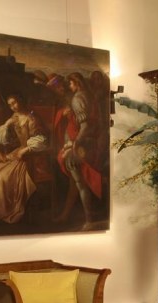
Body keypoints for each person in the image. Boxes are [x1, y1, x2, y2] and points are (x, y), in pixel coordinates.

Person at [0, 91, 50, 224]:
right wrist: (7, 125)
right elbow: (5, 140)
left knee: (2, 178)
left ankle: (3, 211)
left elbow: (43, 140)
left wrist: (25, 149)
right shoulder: (14, 117)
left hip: (30, 155)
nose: (13, 106)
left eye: (14, 103)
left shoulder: (31, 118)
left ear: (20, 101)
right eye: (10, 105)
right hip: (17, 152)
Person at [53, 71, 104, 229]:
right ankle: (66, 215)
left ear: (77, 83)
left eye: (70, 83)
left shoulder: (77, 98)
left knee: (80, 182)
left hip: (82, 146)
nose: (69, 86)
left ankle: (89, 220)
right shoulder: (90, 96)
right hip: (90, 143)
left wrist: (75, 143)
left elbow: (85, 125)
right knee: (74, 183)